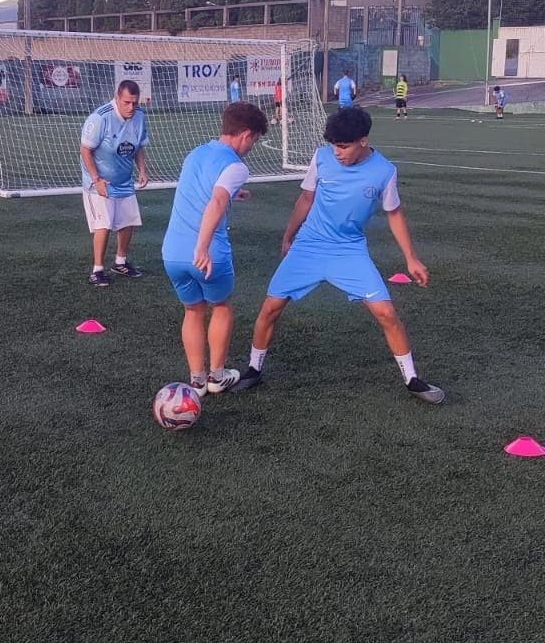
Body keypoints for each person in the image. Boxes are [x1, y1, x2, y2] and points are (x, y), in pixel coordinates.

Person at [234, 103, 444, 404]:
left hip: (349, 251)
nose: (337, 152)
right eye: (333, 145)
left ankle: (412, 378)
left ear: (363, 141)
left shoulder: (384, 171)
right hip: (310, 245)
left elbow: (394, 213)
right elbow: (306, 200)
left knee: (386, 312)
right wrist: (288, 236)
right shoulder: (321, 158)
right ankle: (254, 369)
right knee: (270, 307)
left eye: (343, 146)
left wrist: (411, 257)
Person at [162, 101, 268, 397]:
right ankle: (217, 377)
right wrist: (204, 247)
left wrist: (236, 192)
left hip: (172, 252)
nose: (252, 146)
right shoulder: (236, 166)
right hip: (206, 254)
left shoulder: (195, 153)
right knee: (221, 307)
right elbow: (217, 201)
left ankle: (196, 381)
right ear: (245, 134)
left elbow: (203, 190)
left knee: (192, 311)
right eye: (255, 140)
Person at [80, 79, 149, 287]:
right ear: (117, 98)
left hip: (124, 179)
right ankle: (97, 270)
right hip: (100, 181)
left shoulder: (140, 117)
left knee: (128, 222)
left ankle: (120, 262)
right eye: (127, 102)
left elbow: (138, 147)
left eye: (135, 103)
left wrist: (143, 170)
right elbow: (85, 150)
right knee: (104, 224)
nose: (131, 107)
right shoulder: (100, 117)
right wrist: (96, 180)